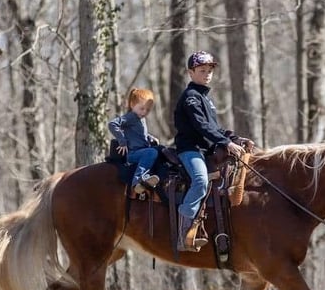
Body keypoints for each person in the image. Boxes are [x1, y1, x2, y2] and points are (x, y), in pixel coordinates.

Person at [173, 51, 254, 251]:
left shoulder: (205, 99)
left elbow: (214, 128)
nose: (207, 74)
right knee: (200, 181)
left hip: (205, 150)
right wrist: (226, 144)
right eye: (202, 70)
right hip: (190, 150)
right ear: (190, 72)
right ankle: (183, 233)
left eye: (209, 71)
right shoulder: (191, 97)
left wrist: (234, 138)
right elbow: (202, 126)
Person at [108, 87, 161, 195]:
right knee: (152, 152)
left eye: (147, 110)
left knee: (158, 151)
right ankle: (137, 181)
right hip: (133, 154)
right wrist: (122, 141)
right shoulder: (131, 117)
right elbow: (112, 124)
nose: (144, 112)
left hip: (142, 151)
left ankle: (147, 179)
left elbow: (140, 134)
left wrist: (150, 138)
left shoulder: (141, 119)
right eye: (142, 108)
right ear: (132, 105)